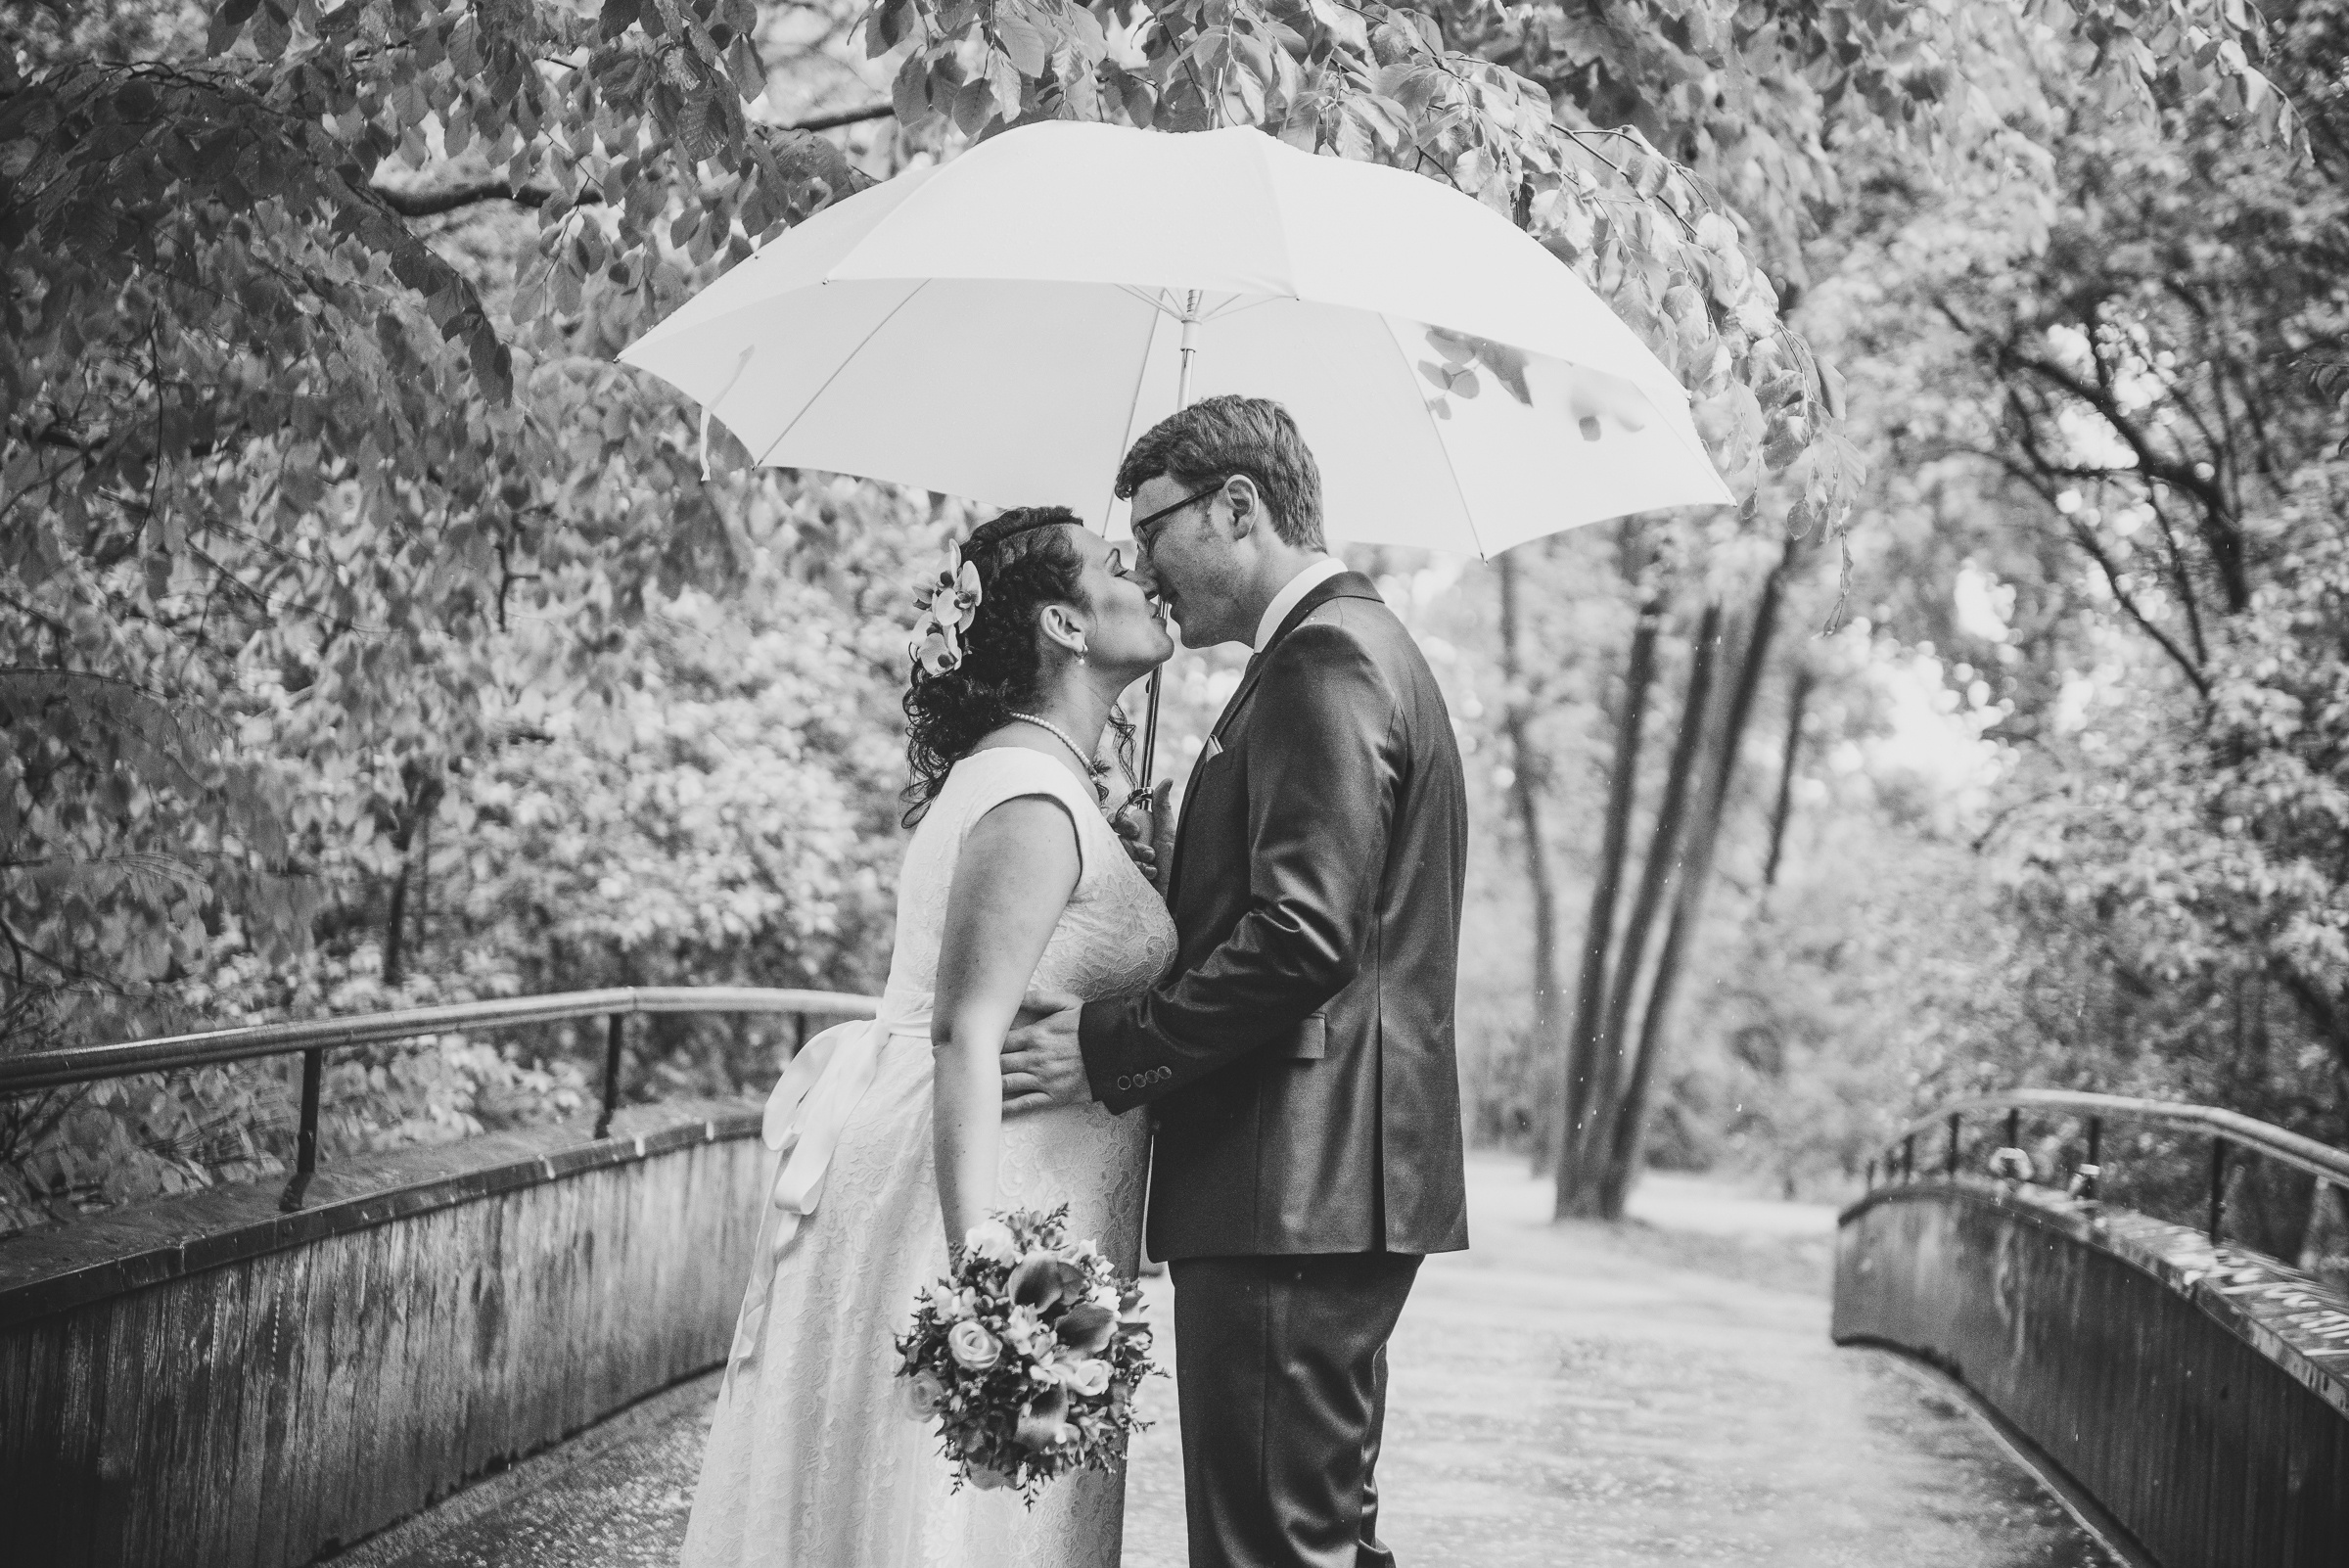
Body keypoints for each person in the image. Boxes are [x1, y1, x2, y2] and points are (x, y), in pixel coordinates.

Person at [1003, 395, 1472, 1568]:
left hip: (1295, 1180)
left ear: (1237, 507)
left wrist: (1110, 1045)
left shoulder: (1325, 664)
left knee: (1268, 1547)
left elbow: (1305, 940)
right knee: (1314, 1535)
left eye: (1151, 531)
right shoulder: (1338, 654)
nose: (1146, 570)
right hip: (1316, 1183)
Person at [680, 507, 1178, 1568]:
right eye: (1112, 565)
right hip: (980, 1201)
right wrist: (991, 1281)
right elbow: (966, 1033)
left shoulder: (1044, 784)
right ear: (1066, 624)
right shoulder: (1033, 795)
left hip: (1022, 1194)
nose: (1140, 573)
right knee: (965, 1522)